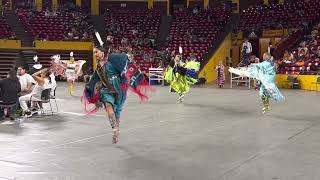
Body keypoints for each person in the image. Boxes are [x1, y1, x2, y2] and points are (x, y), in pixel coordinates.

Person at [82, 45, 152, 144]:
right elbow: (93, 80)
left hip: (119, 89)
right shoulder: (98, 68)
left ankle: (117, 130)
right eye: (94, 52)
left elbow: (123, 59)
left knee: (117, 113)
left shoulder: (112, 60)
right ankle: (114, 129)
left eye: (96, 52)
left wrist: (127, 56)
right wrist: (89, 89)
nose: (95, 54)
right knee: (108, 104)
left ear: (102, 52)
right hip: (107, 90)